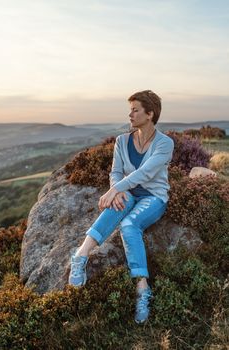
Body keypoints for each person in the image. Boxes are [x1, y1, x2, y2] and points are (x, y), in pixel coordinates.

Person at [68, 90, 174, 324]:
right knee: (116, 208)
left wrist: (115, 189)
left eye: (135, 110)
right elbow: (115, 171)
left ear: (150, 113)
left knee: (129, 225)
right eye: (131, 109)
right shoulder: (122, 141)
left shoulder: (165, 144)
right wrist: (117, 188)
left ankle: (142, 288)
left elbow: (145, 173)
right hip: (129, 193)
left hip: (153, 197)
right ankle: (80, 255)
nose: (130, 114)